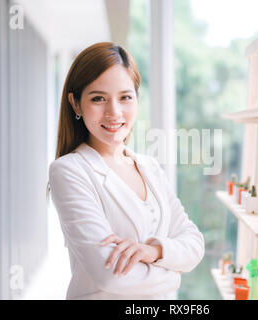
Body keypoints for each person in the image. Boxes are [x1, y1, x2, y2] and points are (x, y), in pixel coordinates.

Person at [48, 42, 205, 300]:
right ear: (75, 104)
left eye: (125, 97)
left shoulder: (150, 168)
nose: (114, 112)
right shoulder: (69, 171)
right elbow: (109, 274)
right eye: (98, 98)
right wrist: (175, 274)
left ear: (137, 99)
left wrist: (155, 251)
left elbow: (194, 242)